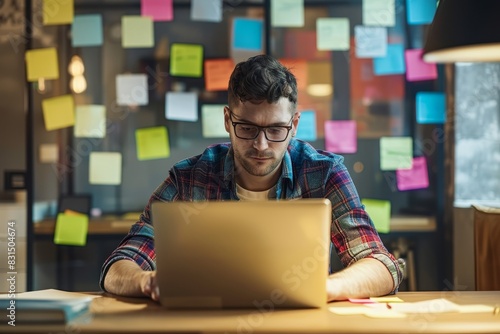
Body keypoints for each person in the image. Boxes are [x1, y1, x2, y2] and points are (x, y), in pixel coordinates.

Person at [99, 54, 403, 302]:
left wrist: (320, 289)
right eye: (247, 128)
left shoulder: (323, 173)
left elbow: (381, 266)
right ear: (228, 121)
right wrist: (146, 281)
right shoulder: (191, 176)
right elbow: (119, 265)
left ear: (294, 125)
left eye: (275, 130)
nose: (261, 145)